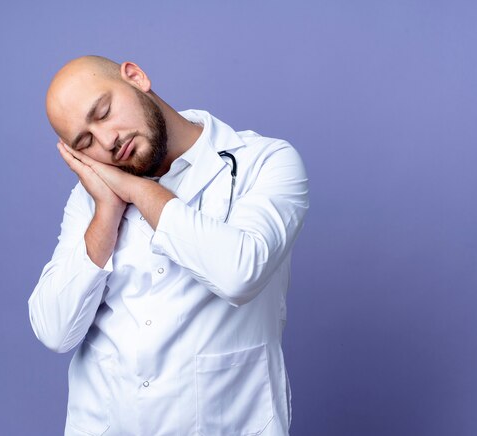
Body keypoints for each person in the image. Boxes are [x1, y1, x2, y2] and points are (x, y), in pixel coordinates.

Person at [28, 55, 309, 436]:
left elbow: (239, 274)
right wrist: (106, 212)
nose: (109, 141)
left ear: (136, 77)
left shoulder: (265, 162)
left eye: (105, 112)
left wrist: (138, 190)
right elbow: (55, 330)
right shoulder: (91, 198)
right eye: (86, 141)